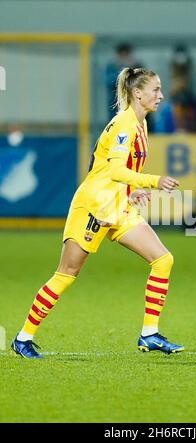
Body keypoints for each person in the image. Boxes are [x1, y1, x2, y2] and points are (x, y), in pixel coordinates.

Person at [11, 68, 184, 359]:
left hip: (118, 205)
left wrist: (131, 192)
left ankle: (149, 334)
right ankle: (23, 338)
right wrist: (153, 181)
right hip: (93, 205)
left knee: (163, 259)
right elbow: (115, 170)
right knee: (67, 273)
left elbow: (111, 171)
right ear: (137, 93)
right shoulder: (125, 124)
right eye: (155, 90)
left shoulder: (140, 124)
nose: (161, 95)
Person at [104, 43, 142, 120]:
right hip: (115, 104)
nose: (124, 59)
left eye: (126, 55)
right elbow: (107, 81)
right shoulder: (111, 67)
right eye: (122, 56)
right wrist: (122, 72)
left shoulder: (137, 66)